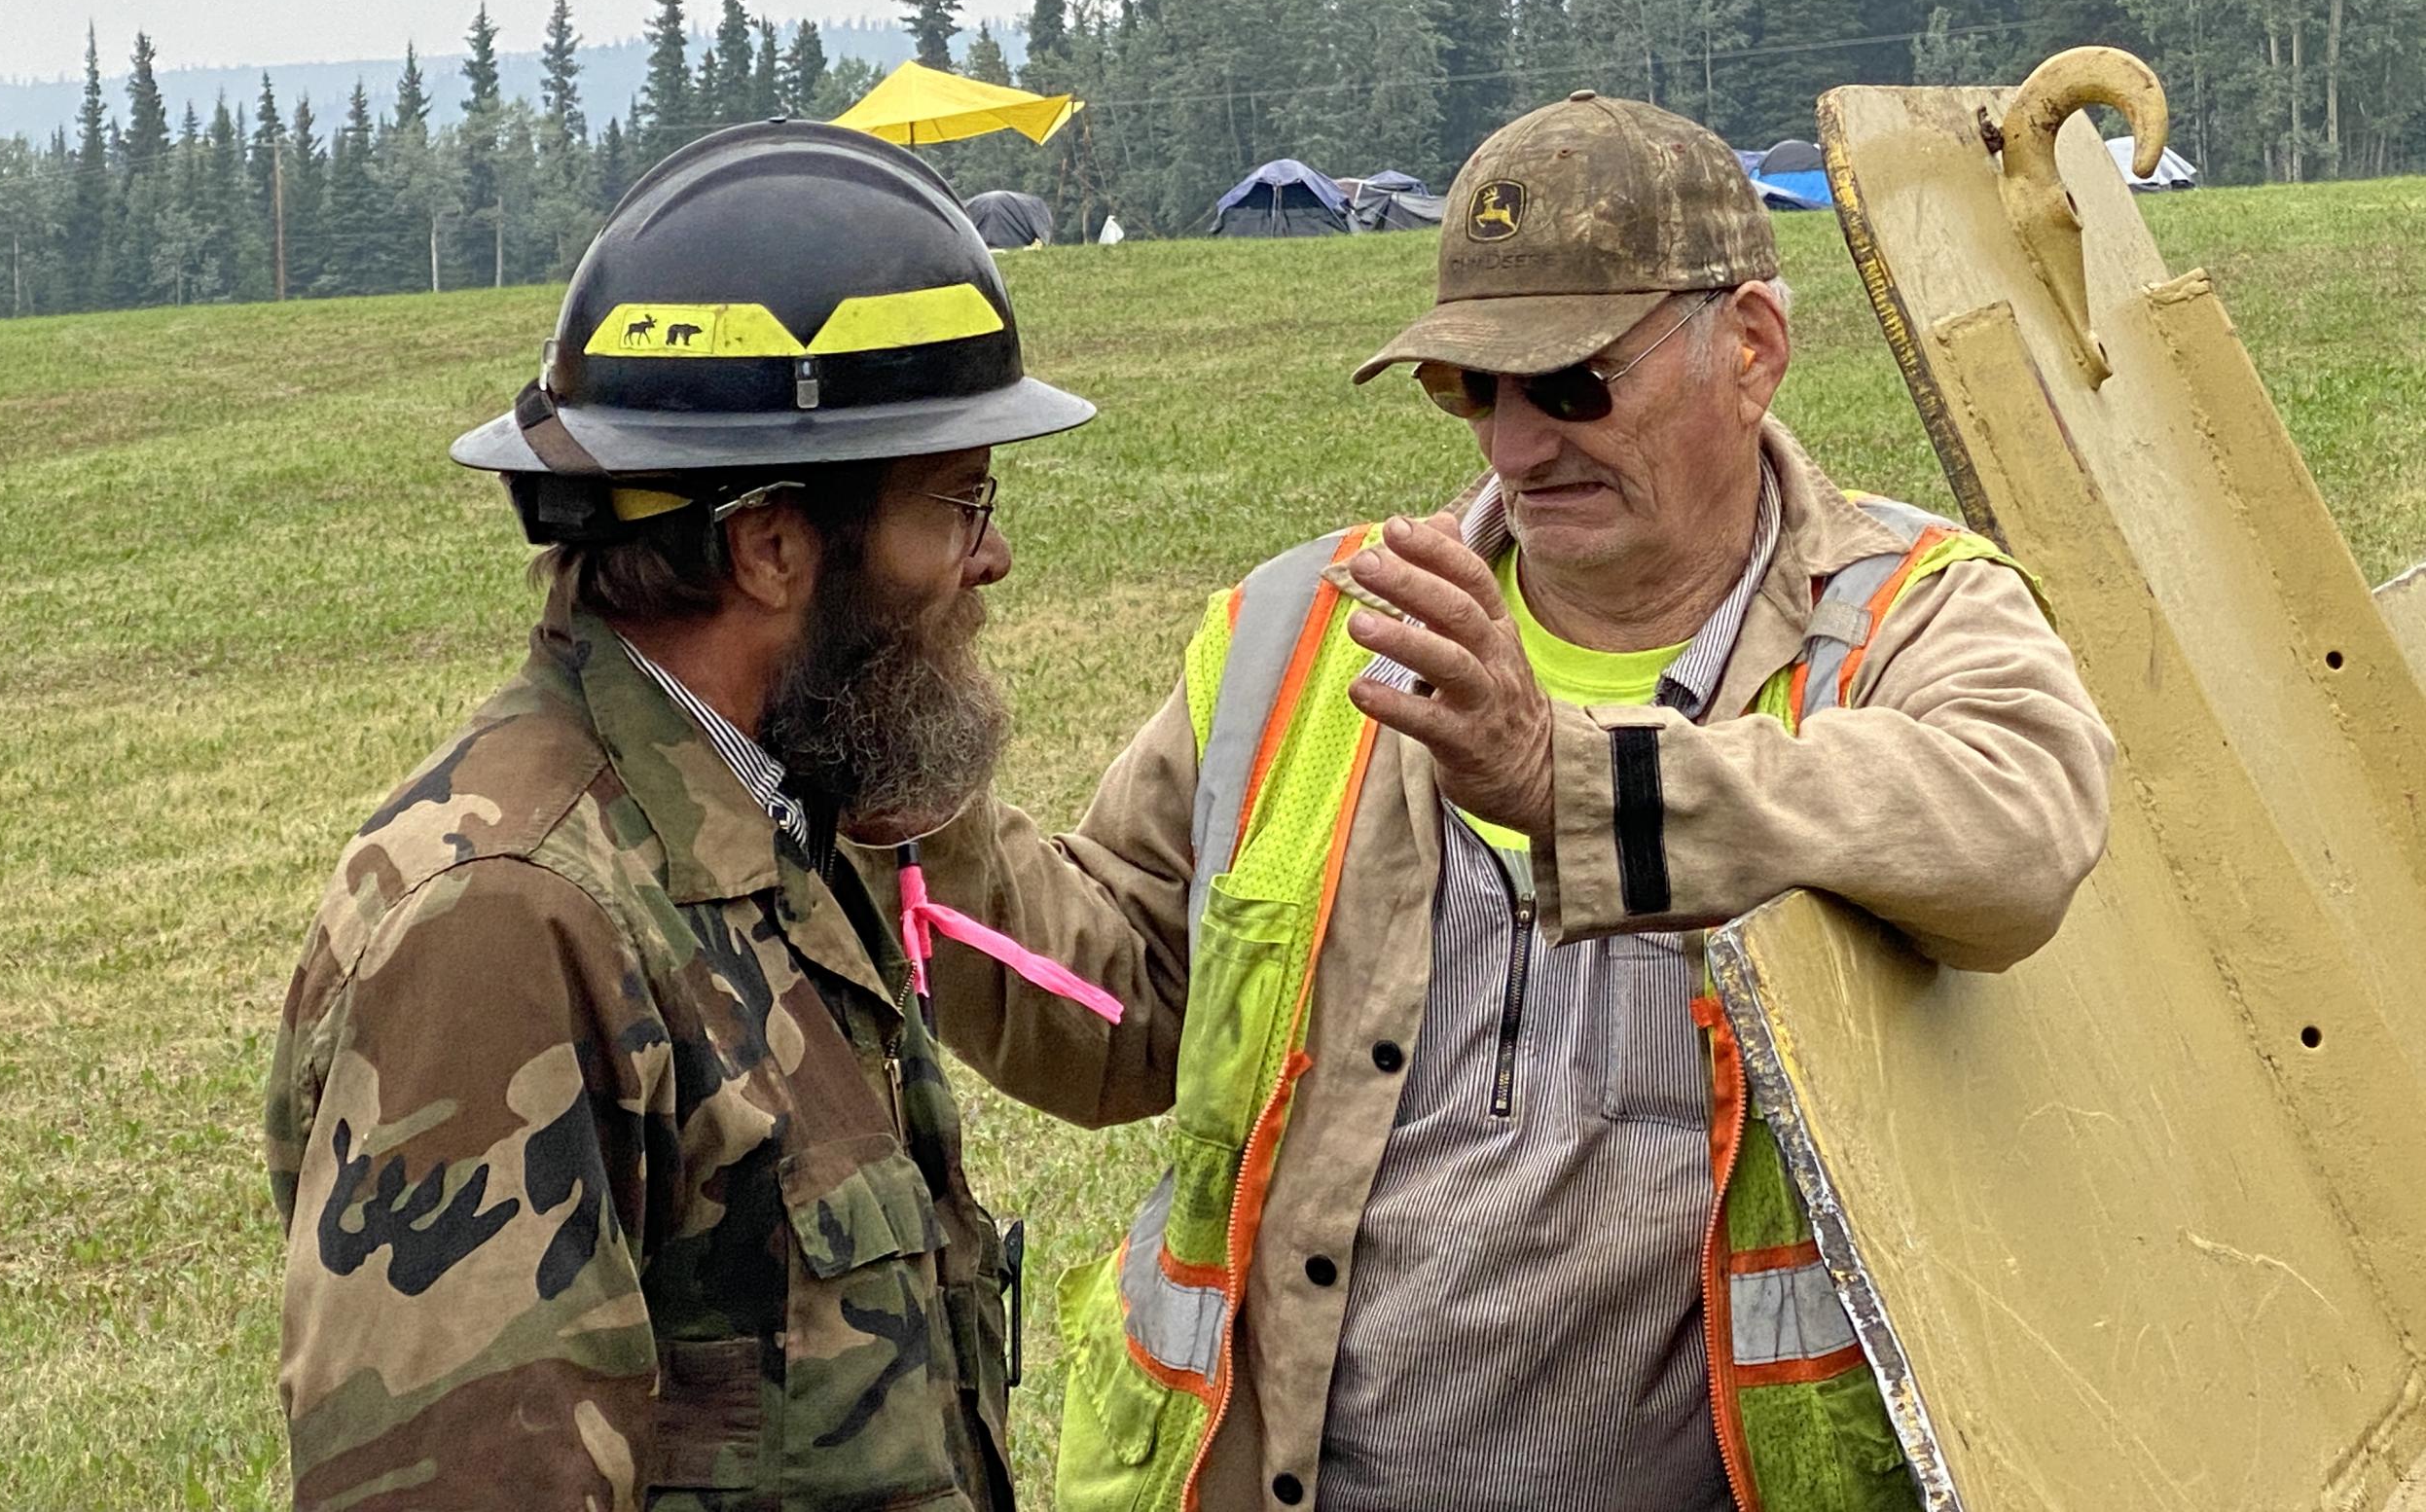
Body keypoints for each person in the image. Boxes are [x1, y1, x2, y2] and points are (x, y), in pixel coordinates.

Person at [870, 91, 2116, 1512]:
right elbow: (1118, 1012)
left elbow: (2028, 826)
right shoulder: (1299, 630)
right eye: (1471, 387)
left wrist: (1566, 782)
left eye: (1574, 382)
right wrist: (914, 826)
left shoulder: (1902, 616)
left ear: (1754, 348)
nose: (1518, 443)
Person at [264, 123, 1112, 1510]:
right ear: (770, 544)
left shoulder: (774, 817)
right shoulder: (505, 928)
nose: (993, 556)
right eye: (955, 503)